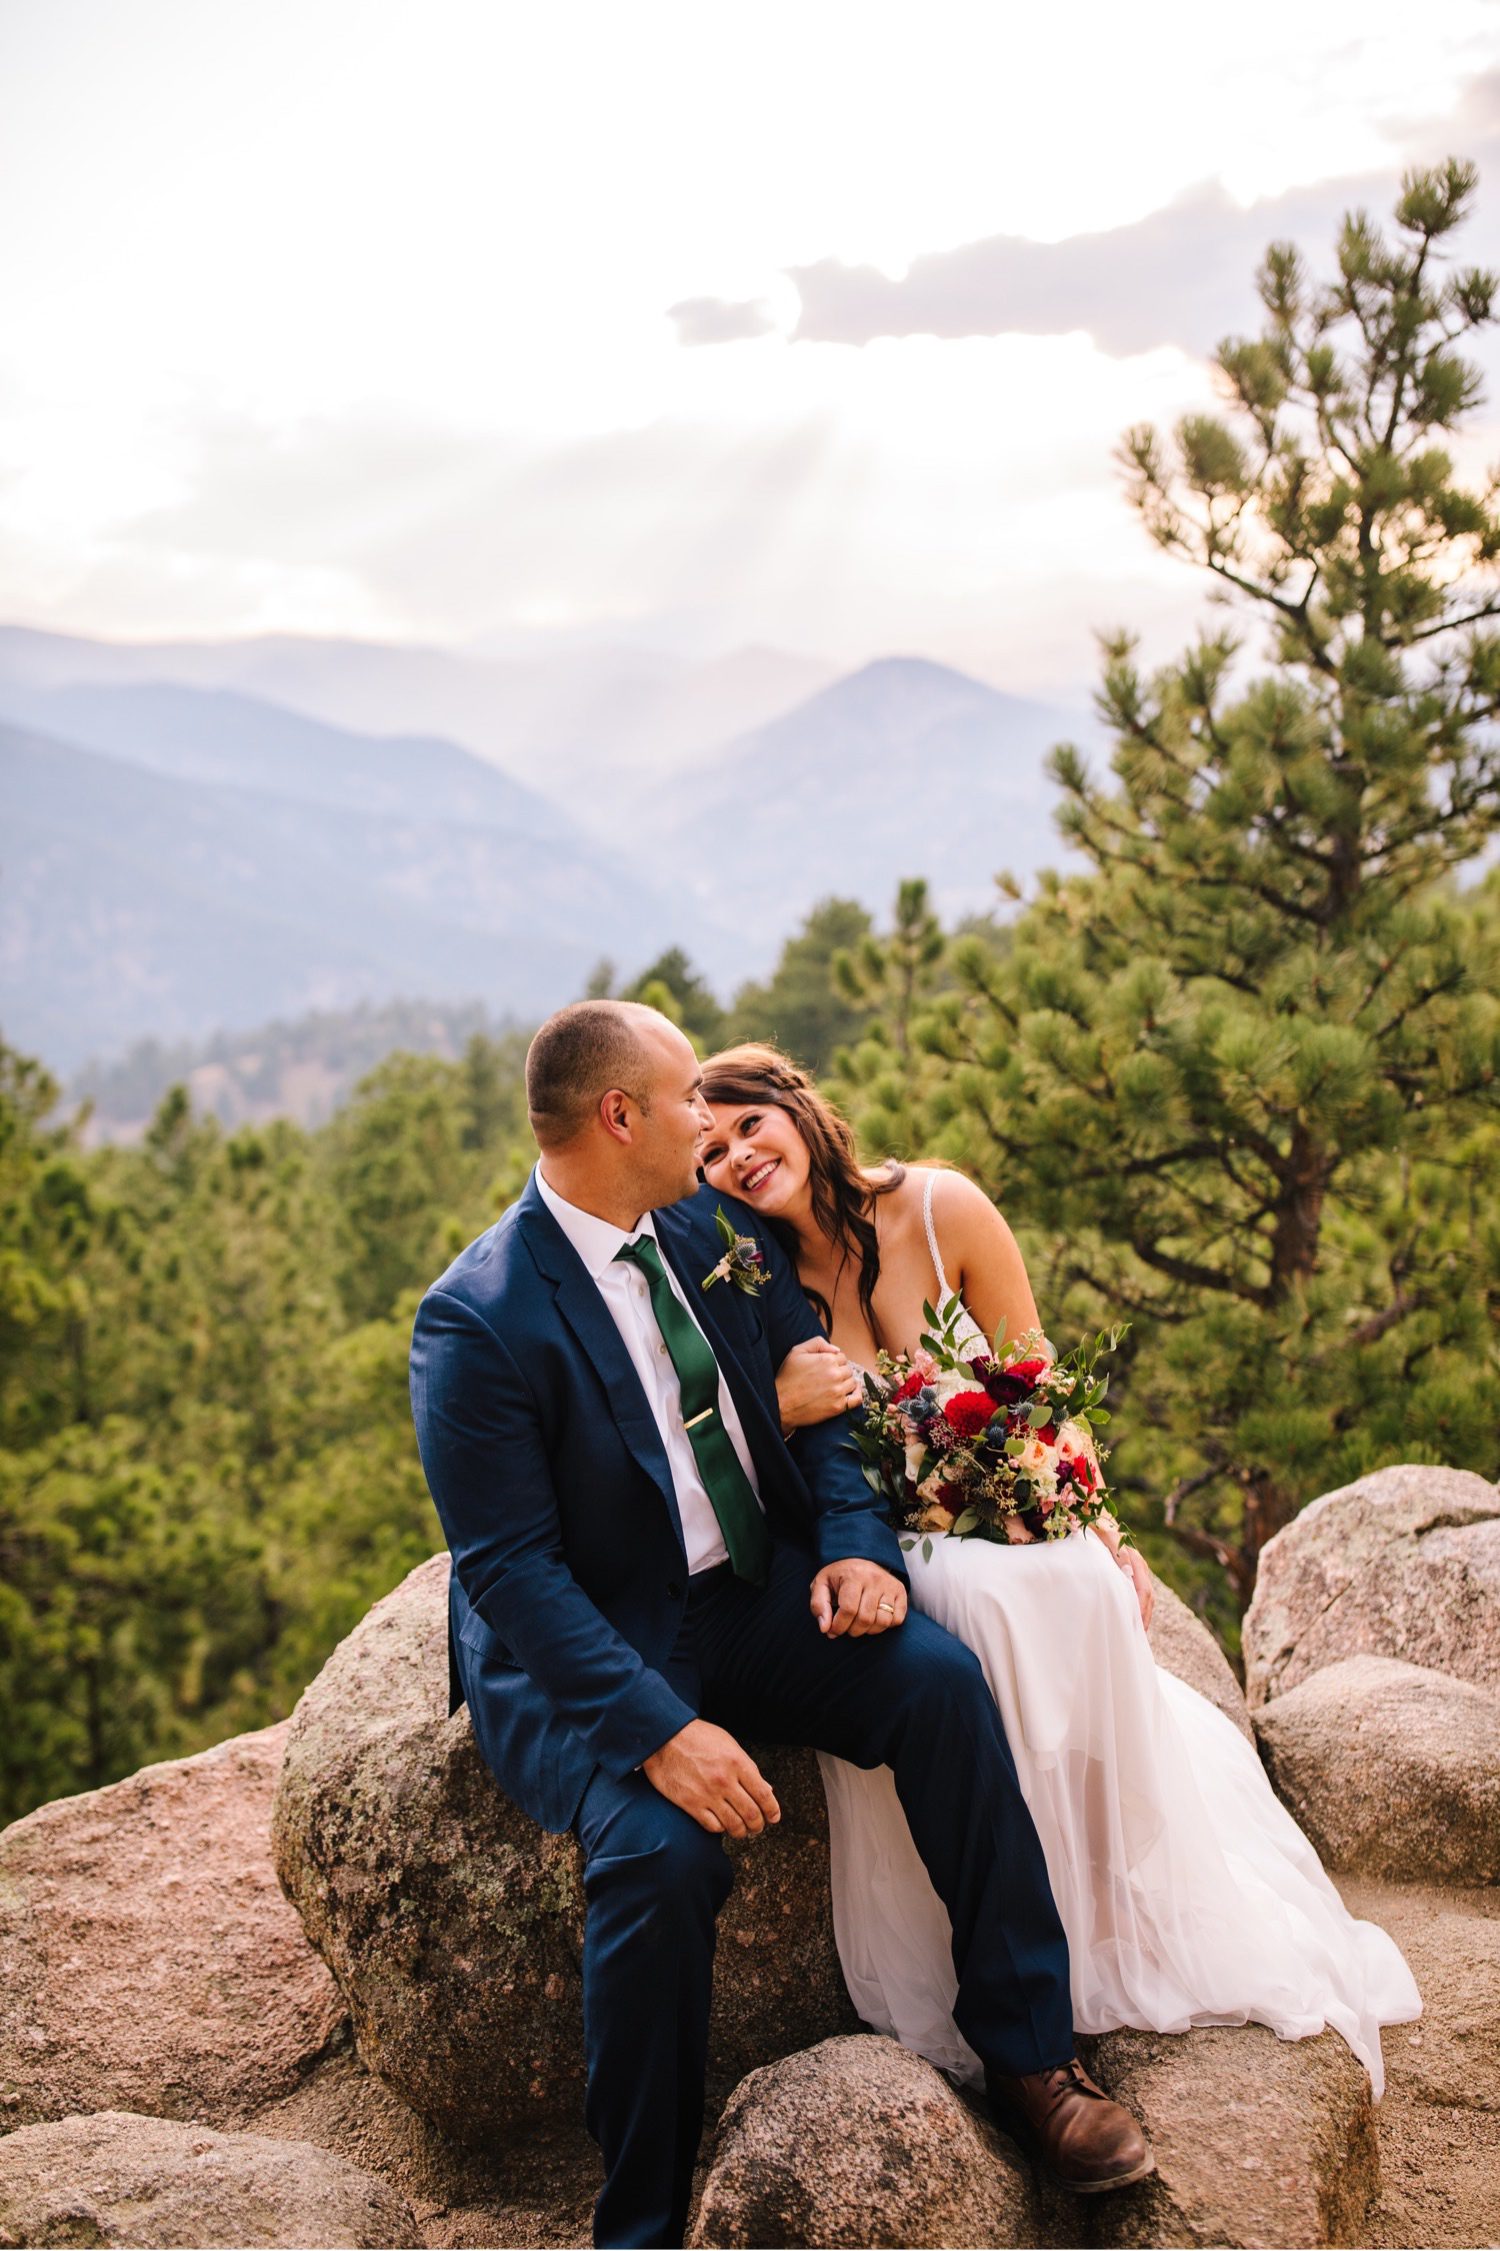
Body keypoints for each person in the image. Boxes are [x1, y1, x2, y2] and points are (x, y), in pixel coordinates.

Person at [409, 1001, 1153, 2251]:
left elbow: (817, 1410)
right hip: (599, 1641)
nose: (709, 1121)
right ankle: (639, 2222)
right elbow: (514, 1574)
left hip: (750, 1592)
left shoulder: (708, 1227)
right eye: (687, 1099)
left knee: (937, 1684)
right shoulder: (478, 1318)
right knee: (663, 1860)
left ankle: (1035, 2067)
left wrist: (859, 1555)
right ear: (619, 1116)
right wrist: (660, 1733)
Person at [697, 1042, 1422, 2099]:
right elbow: (775, 1463)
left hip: (1002, 1495)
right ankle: (1016, 1925)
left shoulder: (945, 1210)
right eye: (710, 1152)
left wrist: (1098, 1523)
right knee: (964, 1597)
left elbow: (1035, 1386)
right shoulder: (754, 1284)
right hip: (888, 1535)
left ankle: (1103, 1891)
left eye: (749, 1126)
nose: (738, 1159)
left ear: (796, 1108)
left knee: (1076, 1581)